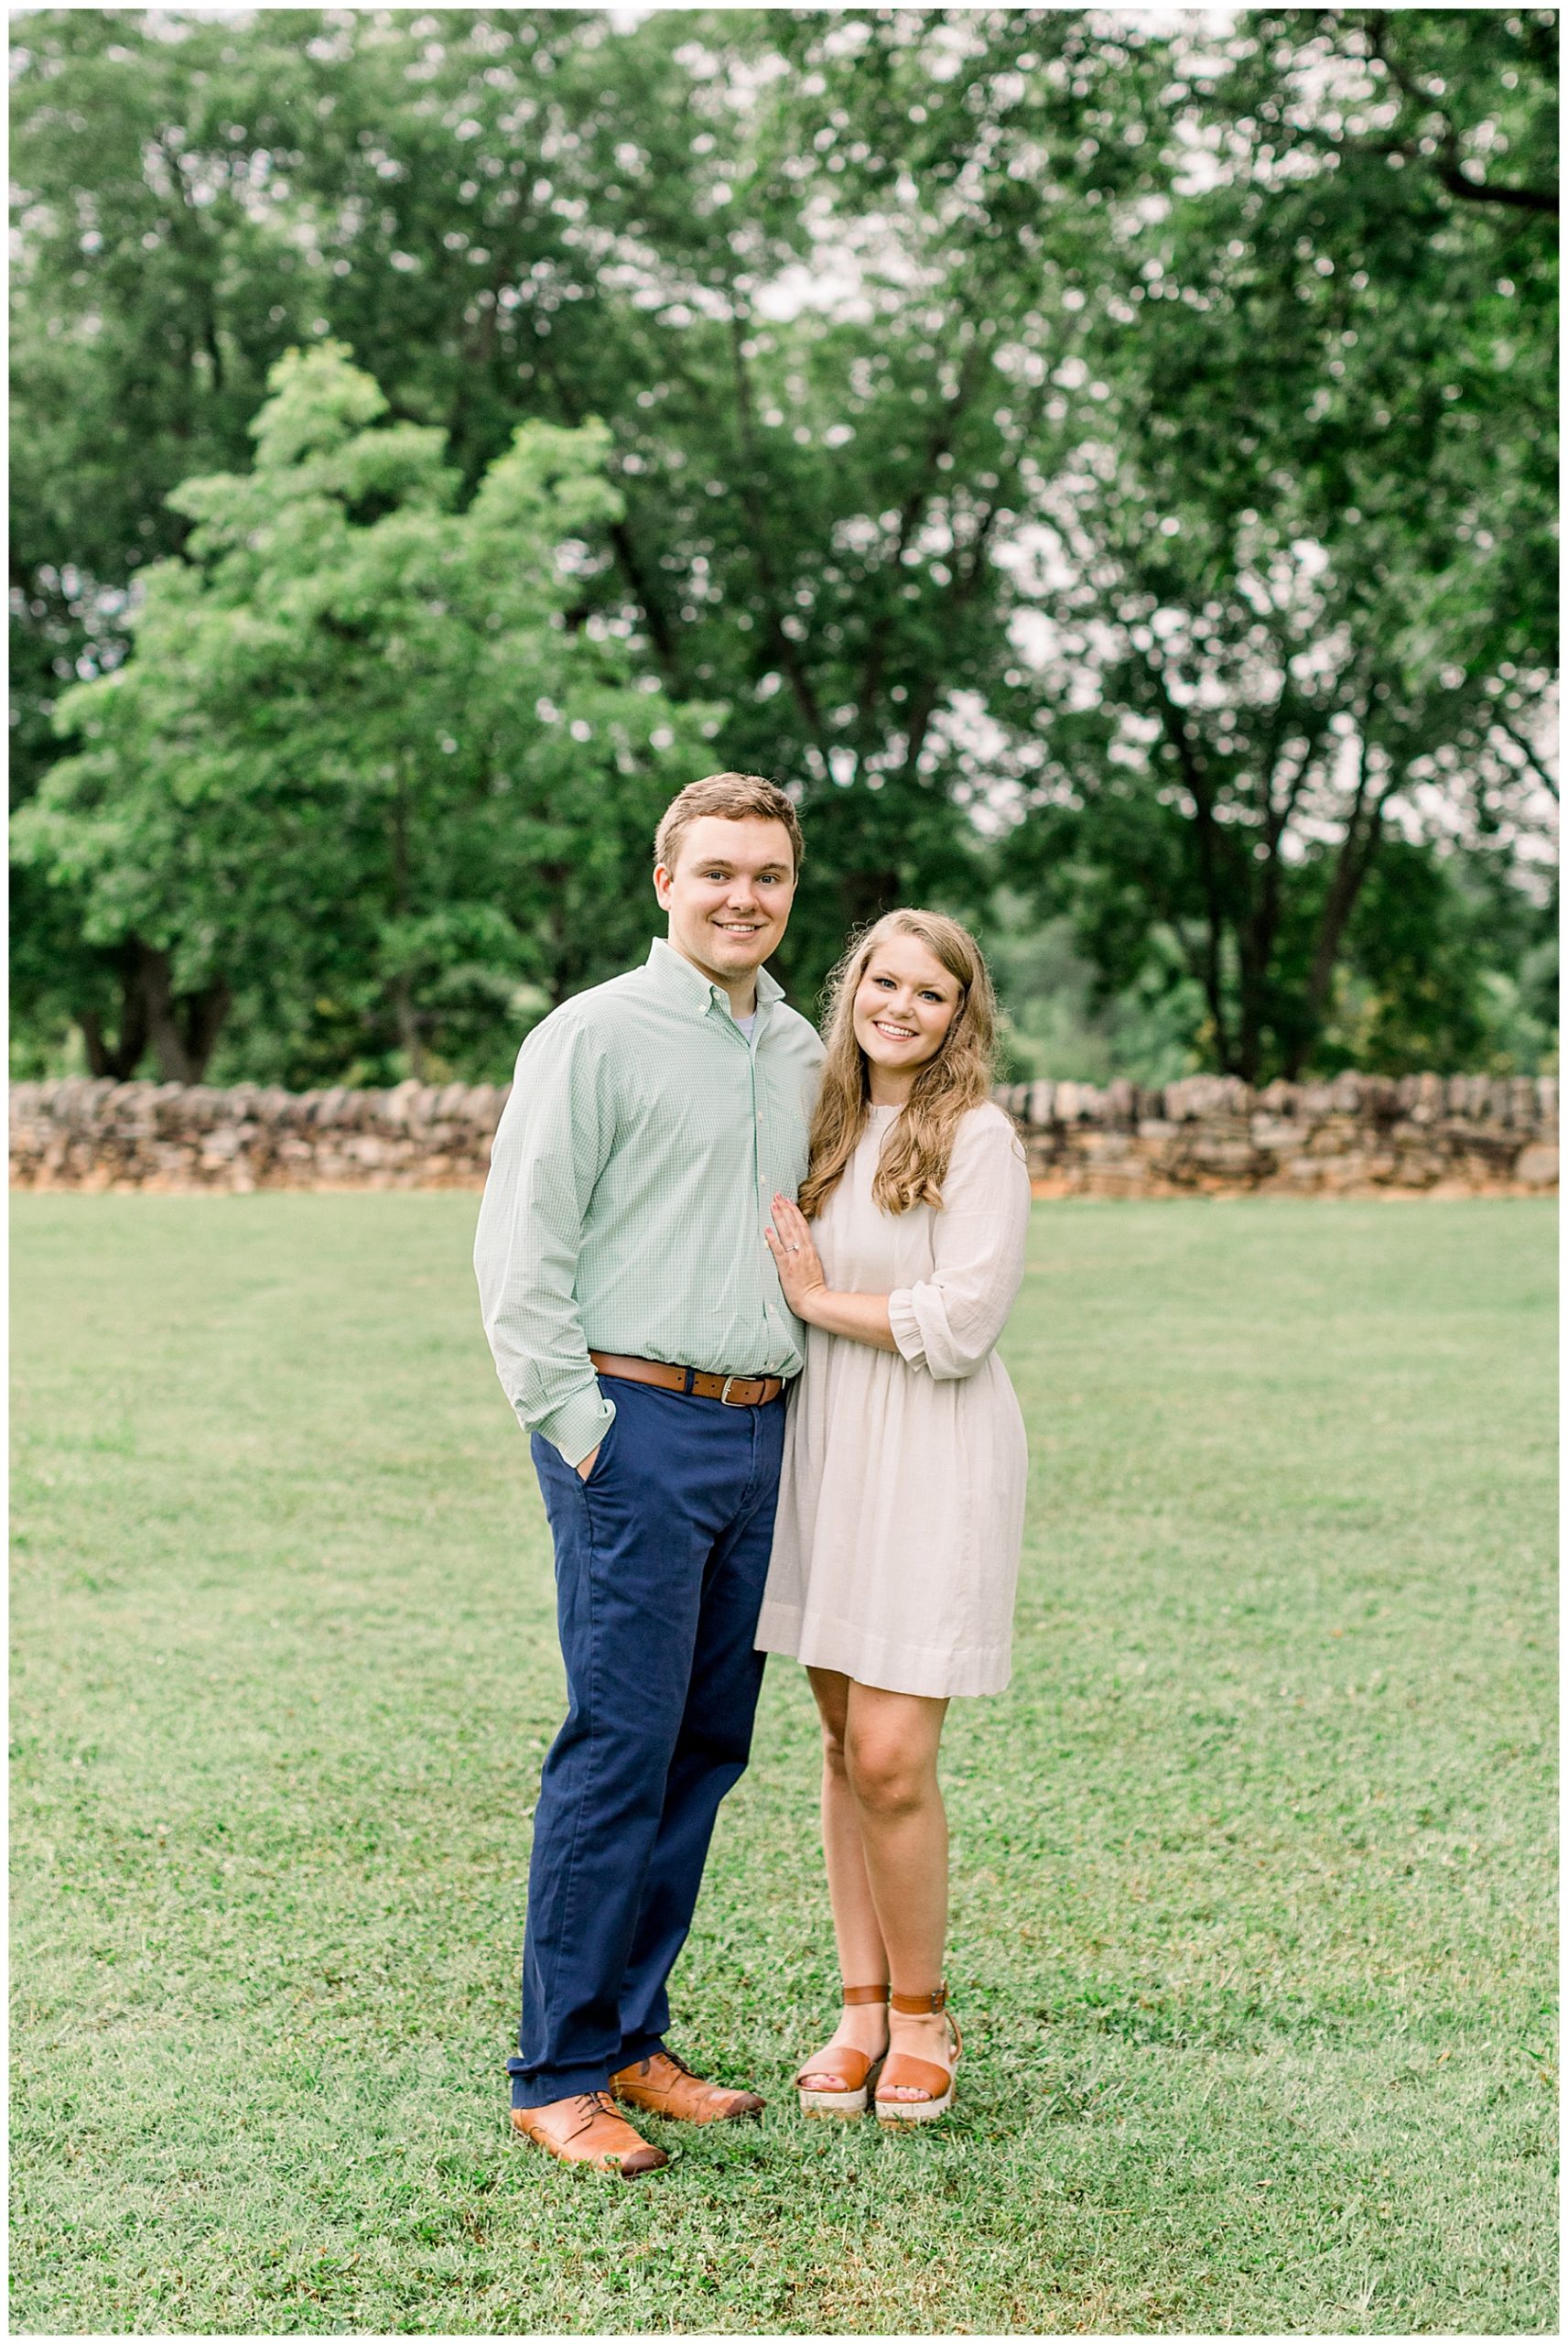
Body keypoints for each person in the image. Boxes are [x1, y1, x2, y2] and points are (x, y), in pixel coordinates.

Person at [474, 773, 823, 2178]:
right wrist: (578, 1423)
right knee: (616, 1748)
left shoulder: (804, 1048)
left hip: (764, 1434)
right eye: (718, 871)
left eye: (770, 876)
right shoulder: (591, 1036)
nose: (744, 896)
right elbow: (522, 1250)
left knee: (703, 1747)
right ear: (664, 883)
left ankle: (632, 2038)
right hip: (632, 1423)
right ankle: (556, 2071)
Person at [757, 908, 1032, 2126]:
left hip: (929, 1449)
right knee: (832, 1738)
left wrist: (818, 1297)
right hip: (820, 1446)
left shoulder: (974, 1137)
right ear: (851, 987)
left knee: (889, 1749)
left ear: (959, 1015)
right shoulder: (813, 1124)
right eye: (885, 982)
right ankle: (857, 2007)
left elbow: (962, 1319)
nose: (901, 1008)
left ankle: (923, 2015)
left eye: (931, 993)